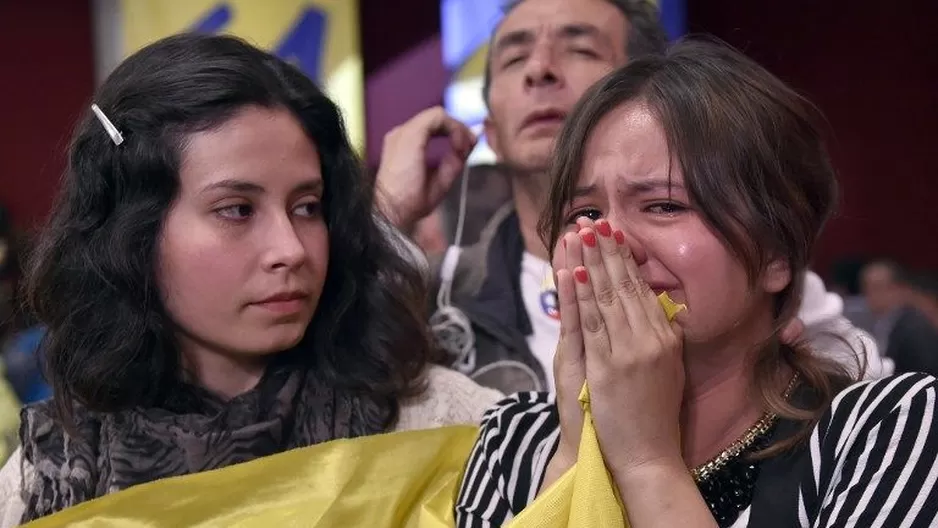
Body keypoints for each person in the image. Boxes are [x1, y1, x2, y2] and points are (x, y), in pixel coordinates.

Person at [0, 33, 501, 526]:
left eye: (307, 207)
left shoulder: (436, 420)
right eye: (237, 210)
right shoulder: (55, 474)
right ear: (134, 233)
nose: (291, 249)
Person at [455, 39, 938, 527]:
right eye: (585, 213)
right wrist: (576, 455)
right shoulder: (509, 443)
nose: (614, 244)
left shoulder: (886, 428)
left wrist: (648, 462)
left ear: (777, 254)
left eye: (665, 205)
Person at [375, 0, 883, 394]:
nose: (540, 71)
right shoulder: (435, 296)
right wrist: (384, 208)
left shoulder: (755, 289)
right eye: (513, 57)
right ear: (488, 130)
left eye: (581, 48)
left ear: (652, 88)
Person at [862, 260, 938, 376]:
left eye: (877, 287)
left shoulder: (915, 327)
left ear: (898, 288)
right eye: (865, 287)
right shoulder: (875, 324)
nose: (870, 294)